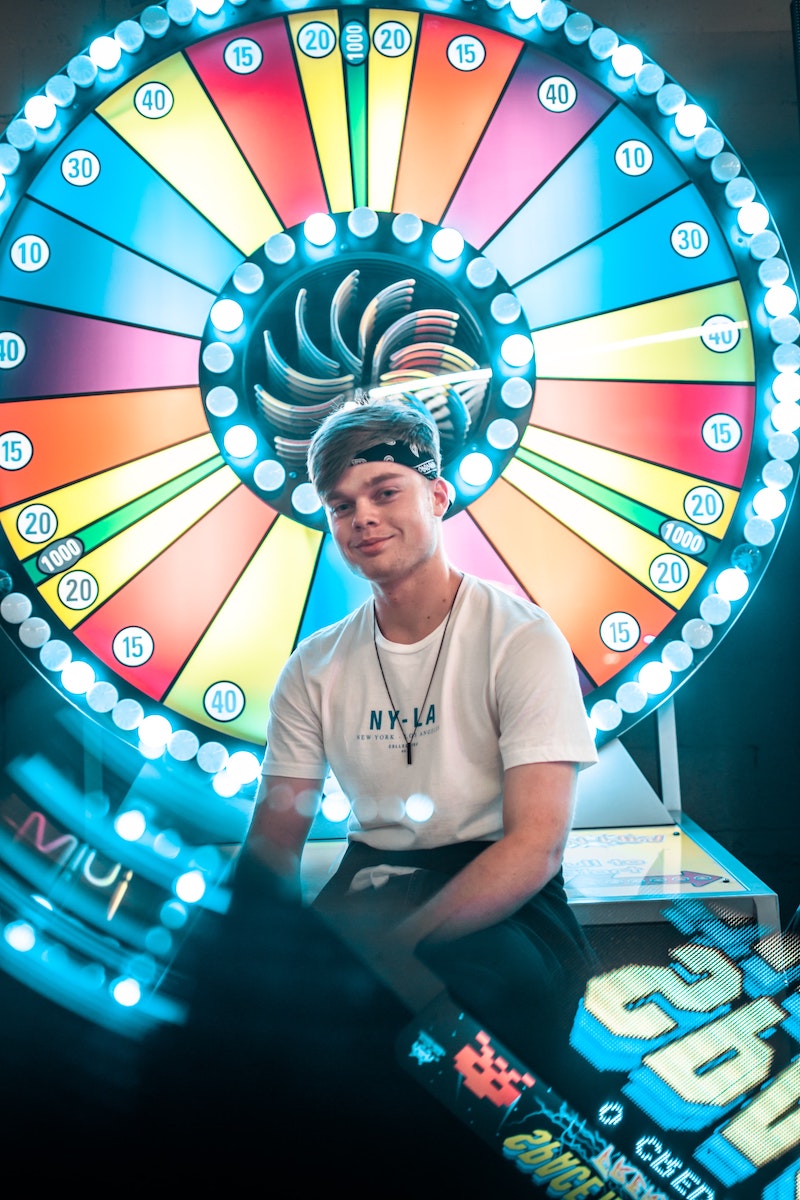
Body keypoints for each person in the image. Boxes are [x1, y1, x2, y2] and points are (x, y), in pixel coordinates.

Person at [241, 398, 598, 1073]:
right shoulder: (313, 667)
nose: (362, 517)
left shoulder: (520, 636)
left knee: (476, 995)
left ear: (437, 495)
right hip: (370, 879)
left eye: (384, 491)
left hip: (502, 893)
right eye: (341, 505)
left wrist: (391, 950)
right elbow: (272, 842)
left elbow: (536, 845)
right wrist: (243, 950)